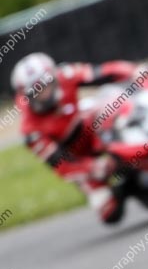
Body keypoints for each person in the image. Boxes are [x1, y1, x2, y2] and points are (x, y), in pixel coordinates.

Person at [11, 52, 140, 222]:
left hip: (92, 130)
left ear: (54, 78)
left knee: (110, 108)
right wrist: (94, 167)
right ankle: (127, 187)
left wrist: (133, 71)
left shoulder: (66, 74)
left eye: (46, 86)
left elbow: (102, 72)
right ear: (26, 95)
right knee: (109, 213)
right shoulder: (30, 131)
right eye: (37, 91)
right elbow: (62, 165)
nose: (44, 93)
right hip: (78, 157)